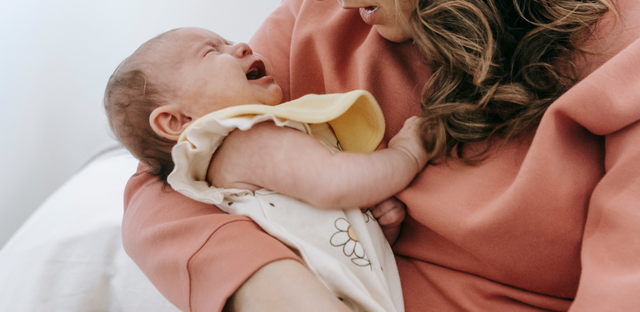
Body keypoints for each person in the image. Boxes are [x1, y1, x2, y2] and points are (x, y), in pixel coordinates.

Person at [121, 0, 640, 311]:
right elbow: (164, 173)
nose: (345, 7)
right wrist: (272, 284)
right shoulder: (314, 19)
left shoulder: (621, 49)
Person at [105, 27, 427, 312]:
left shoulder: (239, 156)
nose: (243, 46)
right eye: (211, 51)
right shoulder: (245, 140)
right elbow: (335, 183)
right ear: (176, 121)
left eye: (229, 40)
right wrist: (408, 153)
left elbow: (312, 232)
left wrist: (373, 229)